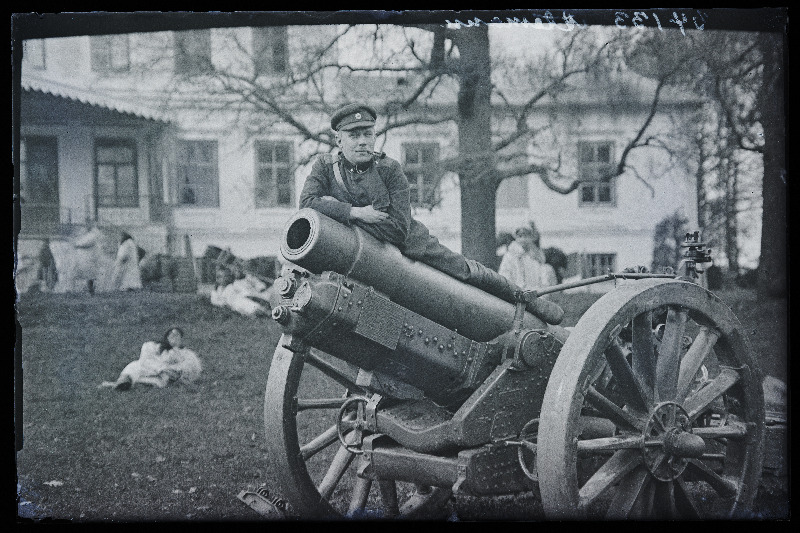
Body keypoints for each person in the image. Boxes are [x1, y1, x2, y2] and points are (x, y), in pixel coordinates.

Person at [299, 102, 518, 301]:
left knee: (464, 272)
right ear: (339, 140)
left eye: (367, 134)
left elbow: (397, 231)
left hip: (415, 247)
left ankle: (520, 296)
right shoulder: (326, 167)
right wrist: (355, 213)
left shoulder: (389, 170)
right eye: (354, 136)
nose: (363, 142)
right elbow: (307, 204)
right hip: (371, 260)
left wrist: (331, 209)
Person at [99, 327, 202, 390]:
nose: (174, 338)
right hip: (150, 368)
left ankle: (119, 385)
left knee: (157, 381)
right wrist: (161, 368)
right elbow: (145, 359)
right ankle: (123, 381)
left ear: (181, 339)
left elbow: (192, 367)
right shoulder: (153, 346)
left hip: (165, 375)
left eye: (177, 336)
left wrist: (175, 371)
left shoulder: (185, 353)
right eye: (171, 335)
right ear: (166, 337)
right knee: (135, 365)